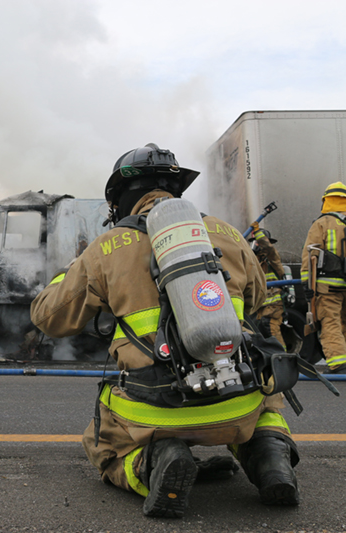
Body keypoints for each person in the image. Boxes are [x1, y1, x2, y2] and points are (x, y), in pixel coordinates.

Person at [30, 143, 299, 517]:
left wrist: (68, 274)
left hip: (156, 410)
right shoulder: (226, 233)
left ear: (120, 200)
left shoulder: (106, 248)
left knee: (102, 441)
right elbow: (255, 300)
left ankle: (155, 460)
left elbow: (48, 318)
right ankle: (269, 455)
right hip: (238, 399)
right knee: (267, 396)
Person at [300, 181, 346, 374]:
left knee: (330, 322)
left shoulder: (322, 223)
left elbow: (310, 255)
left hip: (327, 287)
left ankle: (339, 364)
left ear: (326, 200)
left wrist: (306, 283)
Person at [250, 225, 286, 349]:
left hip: (273, 307)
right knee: (258, 335)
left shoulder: (273, 260)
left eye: (258, 243)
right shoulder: (254, 261)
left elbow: (269, 249)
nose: (256, 245)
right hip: (260, 306)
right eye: (255, 243)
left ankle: (283, 357)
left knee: (272, 331)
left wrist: (258, 233)